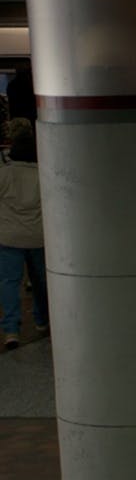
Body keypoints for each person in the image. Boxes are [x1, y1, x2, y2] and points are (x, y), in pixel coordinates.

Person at [0, 119, 45, 349]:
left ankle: (11, 330)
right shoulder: (43, 175)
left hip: (8, 237)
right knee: (40, 282)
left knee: (9, 282)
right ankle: (42, 321)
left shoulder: (4, 174)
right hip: (38, 237)